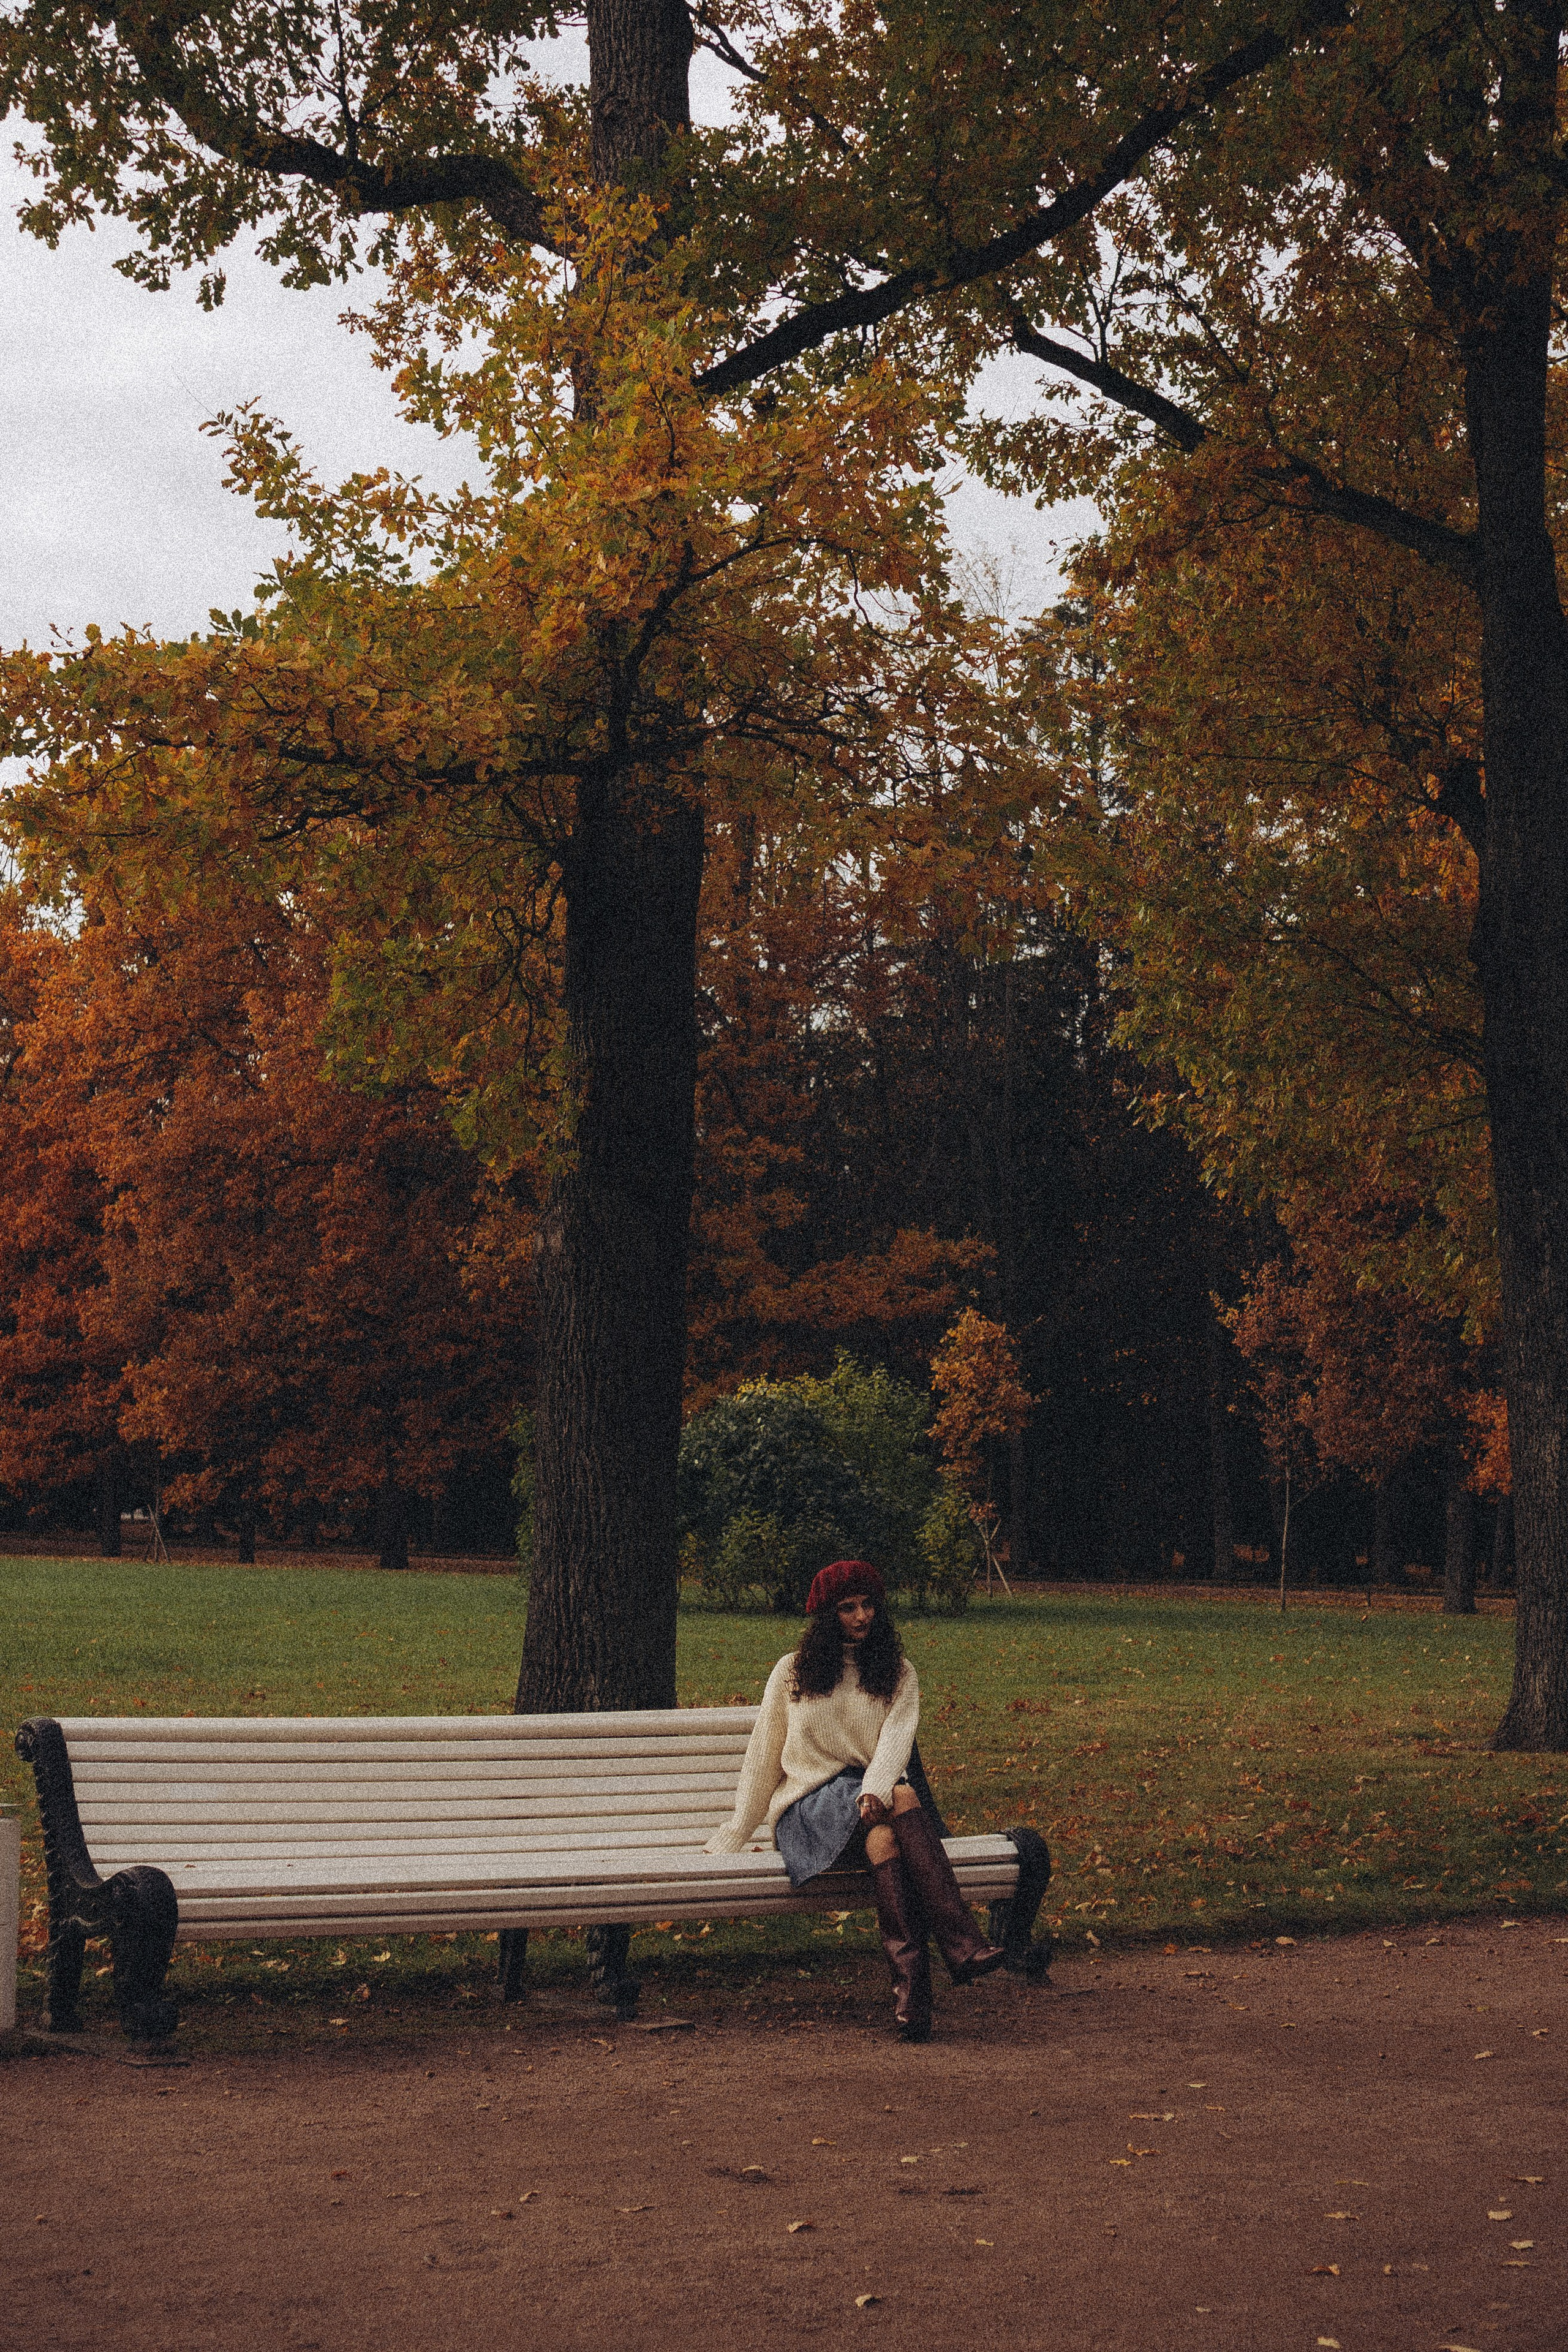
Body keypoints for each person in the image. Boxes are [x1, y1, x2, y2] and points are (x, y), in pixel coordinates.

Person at [704, 1558, 1004, 2041]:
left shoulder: (898, 1672)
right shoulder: (792, 1672)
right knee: (902, 1795)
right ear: (826, 1615)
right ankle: (963, 1945)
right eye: (847, 1608)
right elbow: (764, 1755)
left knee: (885, 1842)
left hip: (871, 1806)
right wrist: (740, 1828)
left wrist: (872, 1791)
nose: (862, 1616)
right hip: (808, 1809)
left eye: (869, 1605)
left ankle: (913, 2003)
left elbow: (895, 1743)